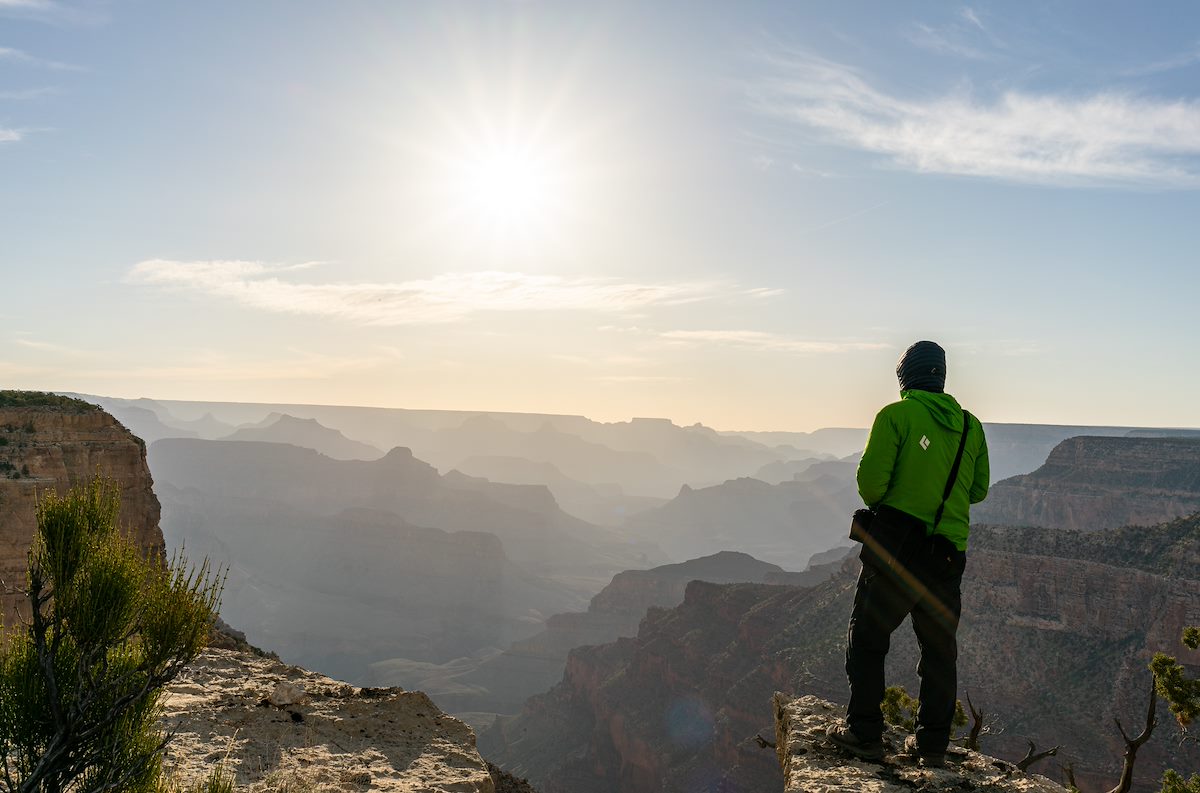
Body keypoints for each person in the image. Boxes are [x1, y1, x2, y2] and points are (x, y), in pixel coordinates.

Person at [827, 340, 989, 767]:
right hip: (948, 557)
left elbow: (872, 487)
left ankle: (864, 732)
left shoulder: (895, 416)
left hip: (897, 552)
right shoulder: (971, 427)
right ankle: (932, 744)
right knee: (939, 652)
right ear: (942, 375)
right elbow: (978, 490)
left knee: (866, 639)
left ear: (905, 377)